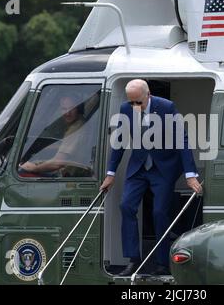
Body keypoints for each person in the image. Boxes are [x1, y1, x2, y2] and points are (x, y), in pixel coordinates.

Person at [100, 79, 202, 276]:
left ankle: (163, 263)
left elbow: (182, 138)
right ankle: (133, 260)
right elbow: (119, 141)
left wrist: (191, 175)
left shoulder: (166, 107)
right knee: (126, 206)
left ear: (148, 94)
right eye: (132, 102)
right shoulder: (126, 108)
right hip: (138, 167)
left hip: (162, 168)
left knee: (159, 213)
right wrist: (110, 174)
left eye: (138, 101)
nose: (135, 106)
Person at [19, 95, 91, 177]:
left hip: (68, 175)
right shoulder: (80, 122)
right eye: (64, 108)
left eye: (72, 108)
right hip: (74, 170)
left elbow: (58, 163)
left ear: (79, 109)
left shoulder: (76, 128)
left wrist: (34, 168)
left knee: (20, 172)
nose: (67, 113)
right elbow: (69, 147)